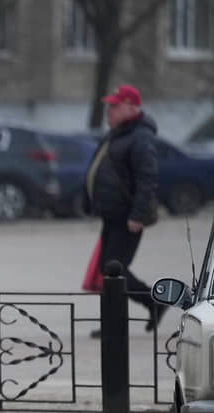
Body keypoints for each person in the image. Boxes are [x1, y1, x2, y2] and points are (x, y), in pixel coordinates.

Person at [85, 84, 165, 337]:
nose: (109, 111)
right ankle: (117, 321)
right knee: (107, 268)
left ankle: (151, 303)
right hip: (112, 215)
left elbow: (147, 178)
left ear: (131, 108)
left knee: (114, 269)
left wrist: (138, 215)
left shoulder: (140, 137)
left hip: (127, 217)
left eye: (115, 106)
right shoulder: (118, 134)